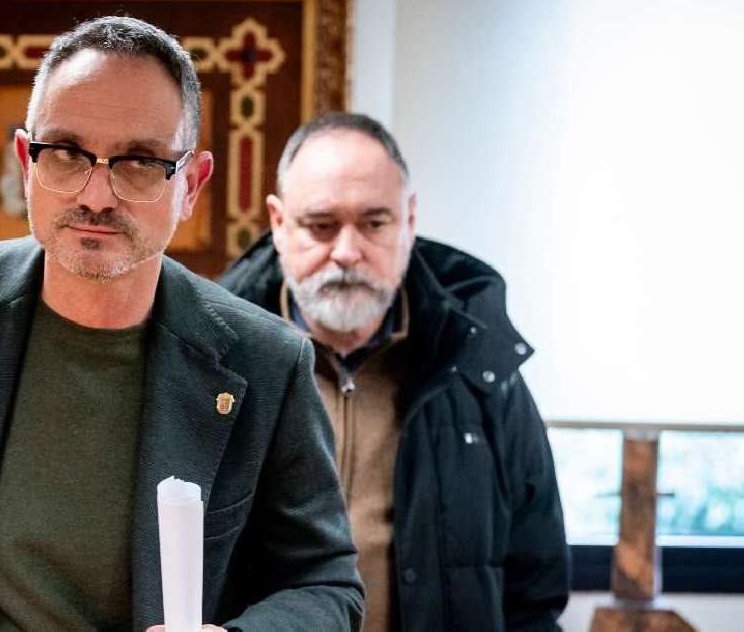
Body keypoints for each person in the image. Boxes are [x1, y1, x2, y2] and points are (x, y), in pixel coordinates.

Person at [0, 16, 364, 630]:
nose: (96, 195)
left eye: (139, 161)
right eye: (65, 153)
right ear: (26, 162)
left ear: (191, 185)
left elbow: (325, 583)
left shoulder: (265, 362)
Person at [219, 113, 570, 630]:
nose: (346, 252)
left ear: (409, 220)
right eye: (321, 226)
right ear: (278, 223)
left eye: (374, 223)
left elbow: (535, 591)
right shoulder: (216, 364)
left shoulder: (479, 368)